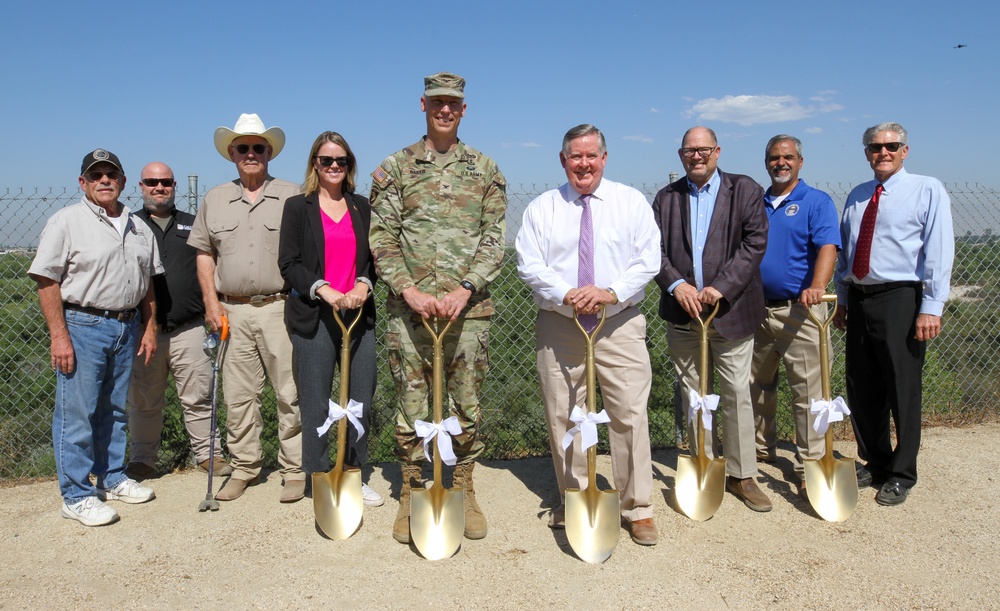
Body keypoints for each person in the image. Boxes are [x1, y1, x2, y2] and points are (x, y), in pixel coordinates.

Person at [369, 72, 507, 543]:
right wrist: (408, 290)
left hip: (467, 312)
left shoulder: (485, 169)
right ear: (423, 105)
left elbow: (494, 239)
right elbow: (382, 238)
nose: (445, 109)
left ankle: (463, 486)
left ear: (464, 109)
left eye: (454, 103)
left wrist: (466, 288)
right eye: (437, 102)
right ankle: (411, 489)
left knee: (465, 402)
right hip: (410, 313)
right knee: (412, 404)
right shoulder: (397, 167)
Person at [515, 124, 661, 545]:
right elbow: (529, 263)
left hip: (619, 321)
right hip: (561, 322)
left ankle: (638, 507)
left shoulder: (630, 202)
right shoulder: (544, 208)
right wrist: (568, 293)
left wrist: (608, 292)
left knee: (629, 413)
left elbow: (647, 260)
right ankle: (574, 497)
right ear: (563, 160)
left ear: (604, 158)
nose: (584, 164)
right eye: (575, 156)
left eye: (591, 155)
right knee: (564, 414)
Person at [29, 149, 161, 526]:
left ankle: (112, 476)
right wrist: (59, 336)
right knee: (77, 414)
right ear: (83, 183)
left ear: (122, 181)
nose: (104, 180)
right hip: (83, 325)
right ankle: (76, 495)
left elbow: (148, 283)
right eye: (96, 175)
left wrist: (149, 327)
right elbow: (46, 278)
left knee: (116, 409)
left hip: (126, 325)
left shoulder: (138, 227)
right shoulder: (66, 221)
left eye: (111, 174)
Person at [652, 126, 772, 512]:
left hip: (731, 312)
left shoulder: (745, 190)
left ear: (717, 151)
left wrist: (721, 287)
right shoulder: (666, 198)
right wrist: (676, 285)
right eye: (689, 150)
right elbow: (652, 250)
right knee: (694, 396)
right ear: (680, 155)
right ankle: (704, 465)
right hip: (684, 315)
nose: (697, 156)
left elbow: (755, 243)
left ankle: (742, 475)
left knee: (736, 394)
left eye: (703, 149)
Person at [833, 122, 954, 506]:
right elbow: (847, 254)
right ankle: (876, 461)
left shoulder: (926, 189)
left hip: (901, 297)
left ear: (905, 150)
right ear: (866, 152)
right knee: (862, 386)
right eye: (874, 147)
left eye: (890, 146)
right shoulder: (857, 195)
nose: (882, 152)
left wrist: (931, 306)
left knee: (902, 388)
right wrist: (843, 298)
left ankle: (903, 472)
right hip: (861, 297)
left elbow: (938, 249)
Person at [188, 113, 305, 503]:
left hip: (280, 308)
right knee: (238, 396)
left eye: (258, 147)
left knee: (291, 394)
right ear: (232, 154)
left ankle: (294, 470)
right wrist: (211, 305)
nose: (250, 154)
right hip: (230, 312)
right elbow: (204, 254)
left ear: (269, 152)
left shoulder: (293, 194)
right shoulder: (216, 198)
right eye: (243, 148)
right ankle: (244, 469)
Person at [278, 132, 382, 507]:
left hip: (356, 314)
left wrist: (363, 285)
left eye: (341, 161)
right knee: (316, 399)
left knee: (360, 399)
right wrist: (322, 289)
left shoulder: (362, 207)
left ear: (349, 165)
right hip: (314, 315)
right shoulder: (297, 207)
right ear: (315, 165)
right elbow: (288, 263)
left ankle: (353, 472)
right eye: (326, 161)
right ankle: (320, 474)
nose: (334, 167)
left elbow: (373, 258)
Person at [126, 162, 231, 480]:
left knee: (199, 395)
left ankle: (208, 454)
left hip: (189, 327)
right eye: (152, 182)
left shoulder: (194, 224)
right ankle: (143, 459)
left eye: (166, 182)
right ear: (141, 186)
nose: (159, 187)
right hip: (145, 332)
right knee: (144, 399)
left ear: (174, 186)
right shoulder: (128, 226)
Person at [750, 135, 841, 499]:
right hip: (757, 311)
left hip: (801, 312)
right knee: (756, 387)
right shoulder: (756, 202)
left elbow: (828, 248)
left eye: (788, 157)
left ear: (800, 162)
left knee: (810, 394)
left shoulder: (816, 202)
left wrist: (817, 286)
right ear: (766, 162)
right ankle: (759, 450)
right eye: (774, 157)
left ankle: (810, 465)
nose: (781, 163)